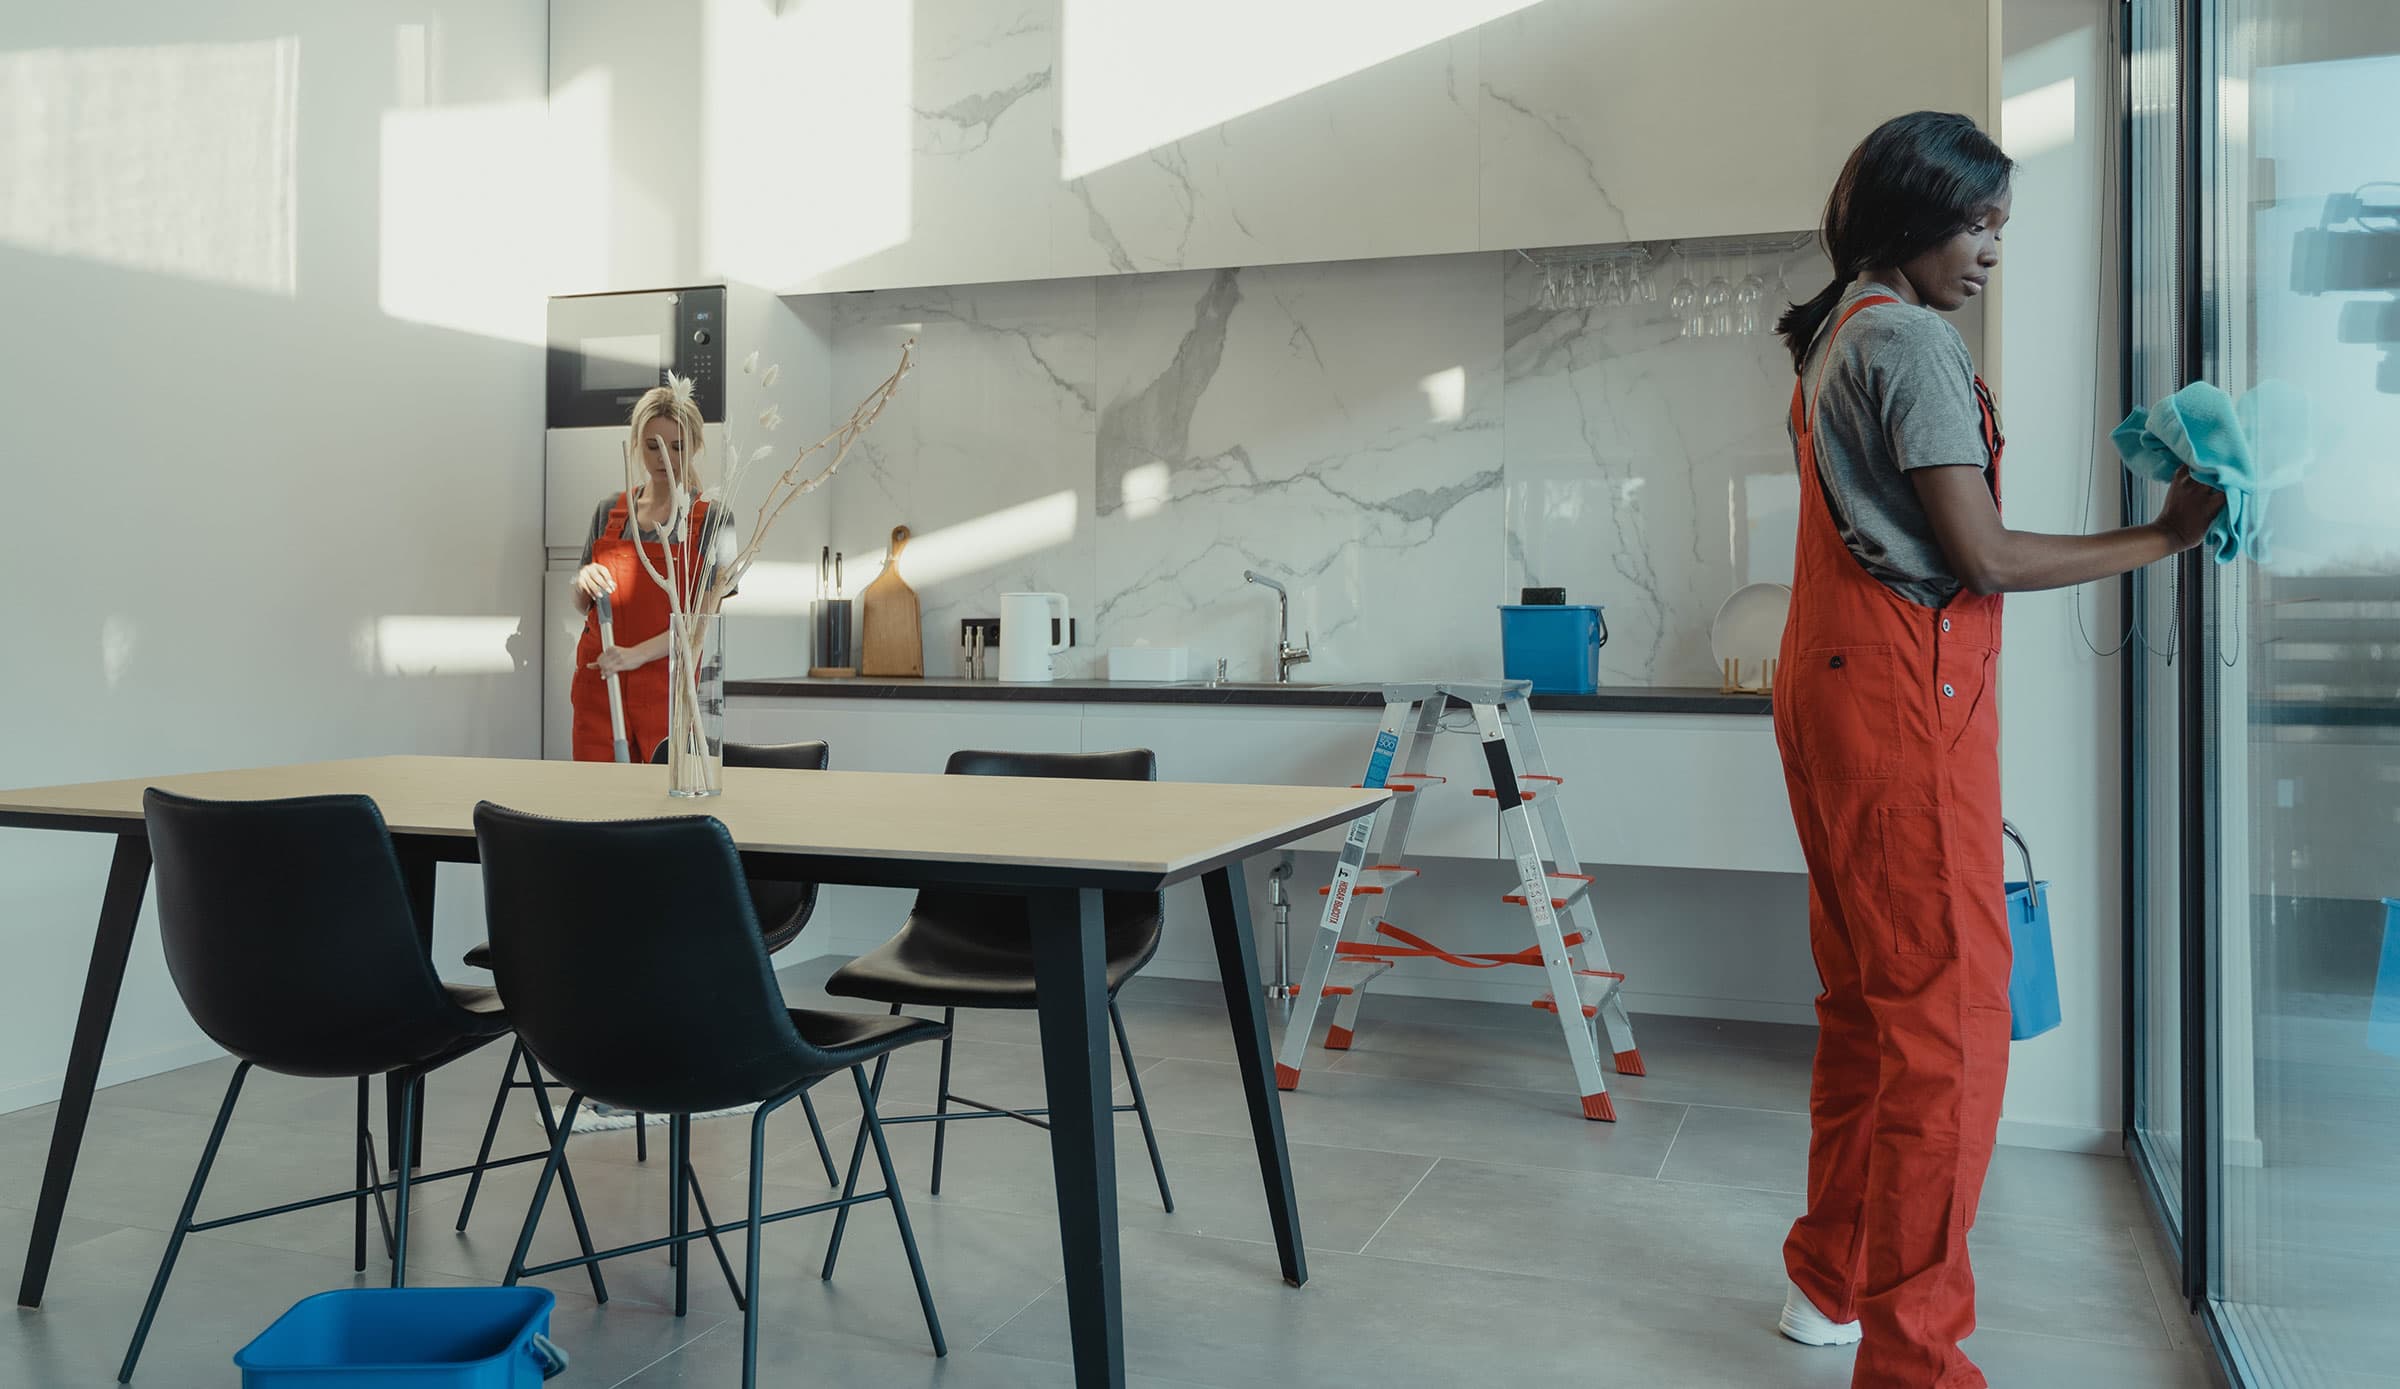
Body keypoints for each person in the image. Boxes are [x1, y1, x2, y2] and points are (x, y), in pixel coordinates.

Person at [1770, 111, 2221, 1387]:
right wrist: (2164, 537)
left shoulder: (1841, 329)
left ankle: (1829, 1284)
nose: (1991, 252)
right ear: (1913, 216)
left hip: (1838, 692)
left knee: (1869, 1012)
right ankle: (1916, 1363)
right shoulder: (1908, 340)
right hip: (1904, 702)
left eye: (2001, 229)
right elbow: (1986, 558)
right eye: (1978, 225)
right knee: (1949, 1034)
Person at [569, 380, 738, 764]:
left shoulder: (713, 520)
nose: (664, 458)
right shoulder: (609, 512)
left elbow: (701, 622)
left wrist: (635, 656)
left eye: (677, 447)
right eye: (652, 447)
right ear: (636, 445)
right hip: (602, 680)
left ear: (695, 446)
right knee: (596, 804)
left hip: (672, 690)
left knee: (663, 805)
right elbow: (584, 605)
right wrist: (582, 581)